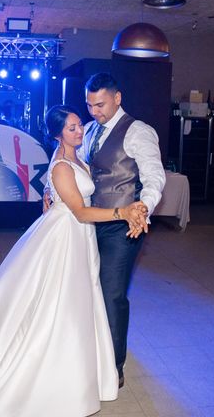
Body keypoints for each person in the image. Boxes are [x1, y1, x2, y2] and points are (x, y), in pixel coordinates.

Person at [0, 105, 148, 417]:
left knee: (79, 300)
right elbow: (81, 211)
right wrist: (122, 212)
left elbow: (64, 195)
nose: (78, 130)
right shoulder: (61, 166)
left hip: (78, 235)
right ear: (58, 134)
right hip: (66, 236)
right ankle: (49, 370)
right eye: (71, 128)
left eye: (77, 125)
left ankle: (79, 367)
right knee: (59, 303)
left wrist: (49, 195)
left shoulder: (75, 155)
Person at [77, 72, 165, 388]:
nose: (94, 111)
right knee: (88, 287)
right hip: (89, 221)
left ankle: (113, 367)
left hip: (123, 225)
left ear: (117, 98)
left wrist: (144, 206)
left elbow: (155, 176)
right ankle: (91, 349)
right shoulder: (88, 130)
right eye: (89, 105)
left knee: (112, 293)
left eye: (100, 104)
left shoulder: (138, 131)